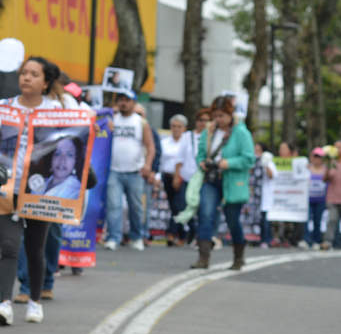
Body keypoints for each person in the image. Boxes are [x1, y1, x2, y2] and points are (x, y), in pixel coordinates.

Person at [0, 56, 63, 325]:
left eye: (34, 74)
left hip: (40, 188)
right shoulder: (5, 108)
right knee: (9, 246)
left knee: (35, 248)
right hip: (6, 185)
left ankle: (34, 301)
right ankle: (4, 304)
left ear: (45, 83)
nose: (26, 78)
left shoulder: (56, 110)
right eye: (24, 73)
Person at [192, 94, 254, 269]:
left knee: (232, 219)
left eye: (222, 116)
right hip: (211, 179)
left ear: (230, 114)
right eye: (216, 116)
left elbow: (249, 159)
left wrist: (229, 163)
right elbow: (201, 153)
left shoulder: (241, 132)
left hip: (232, 181)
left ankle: (238, 256)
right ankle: (203, 257)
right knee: (205, 213)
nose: (218, 120)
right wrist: (202, 162)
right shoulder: (210, 131)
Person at [101, 89, 155, 251]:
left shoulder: (141, 122)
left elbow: (150, 146)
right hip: (114, 170)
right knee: (113, 206)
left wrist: (148, 165)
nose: (123, 103)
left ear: (134, 103)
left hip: (135, 171)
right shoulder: (112, 120)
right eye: (120, 100)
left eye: (127, 100)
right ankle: (113, 237)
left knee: (136, 207)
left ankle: (137, 236)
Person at [159, 114, 194, 246]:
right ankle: (184, 233)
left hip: (182, 177)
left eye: (179, 126)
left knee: (179, 205)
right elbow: (161, 161)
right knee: (174, 207)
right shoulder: (164, 142)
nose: (176, 129)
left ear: (184, 128)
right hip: (167, 176)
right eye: (174, 126)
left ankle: (172, 232)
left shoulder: (188, 143)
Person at [305, 147, 328, 248]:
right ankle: (307, 239)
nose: (317, 159)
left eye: (319, 157)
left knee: (317, 221)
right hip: (308, 199)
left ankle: (316, 240)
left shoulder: (326, 168)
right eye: (315, 156)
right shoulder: (307, 168)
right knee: (306, 220)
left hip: (321, 199)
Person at [253, 141, 275, 247]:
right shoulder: (253, 160)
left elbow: (272, 175)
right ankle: (257, 238)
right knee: (257, 218)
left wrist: (265, 164)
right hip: (255, 195)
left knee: (265, 218)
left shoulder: (268, 161)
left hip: (264, 194)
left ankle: (266, 240)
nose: (256, 151)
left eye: (258, 149)